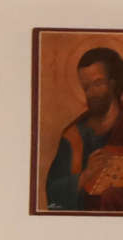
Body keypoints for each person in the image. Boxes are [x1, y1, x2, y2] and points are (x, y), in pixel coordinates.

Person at [46, 46, 123, 211]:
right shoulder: (74, 136)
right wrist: (85, 175)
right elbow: (53, 195)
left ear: (114, 82)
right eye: (86, 87)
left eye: (97, 83)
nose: (91, 93)